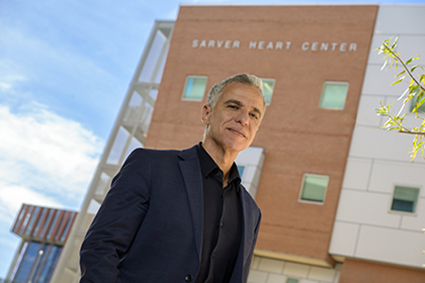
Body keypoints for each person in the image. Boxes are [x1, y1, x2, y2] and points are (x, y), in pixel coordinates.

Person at [79, 73, 266, 283]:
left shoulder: (251, 212)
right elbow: (100, 248)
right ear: (207, 114)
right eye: (233, 106)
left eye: (254, 115)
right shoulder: (150, 167)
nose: (243, 119)